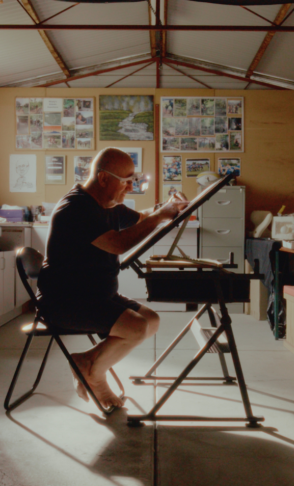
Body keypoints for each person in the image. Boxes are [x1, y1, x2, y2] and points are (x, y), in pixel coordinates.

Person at [36, 147, 189, 408]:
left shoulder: (108, 205)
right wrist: (160, 216)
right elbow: (118, 244)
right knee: (136, 327)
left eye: (133, 180)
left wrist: (169, 208)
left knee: (150, 320)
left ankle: (87, 362)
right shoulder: (76, 208)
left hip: (97, 295)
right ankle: (95, 375)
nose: (130, 188)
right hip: (66, 301)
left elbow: (143, 217)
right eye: (126, 181)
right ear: (104, 178)